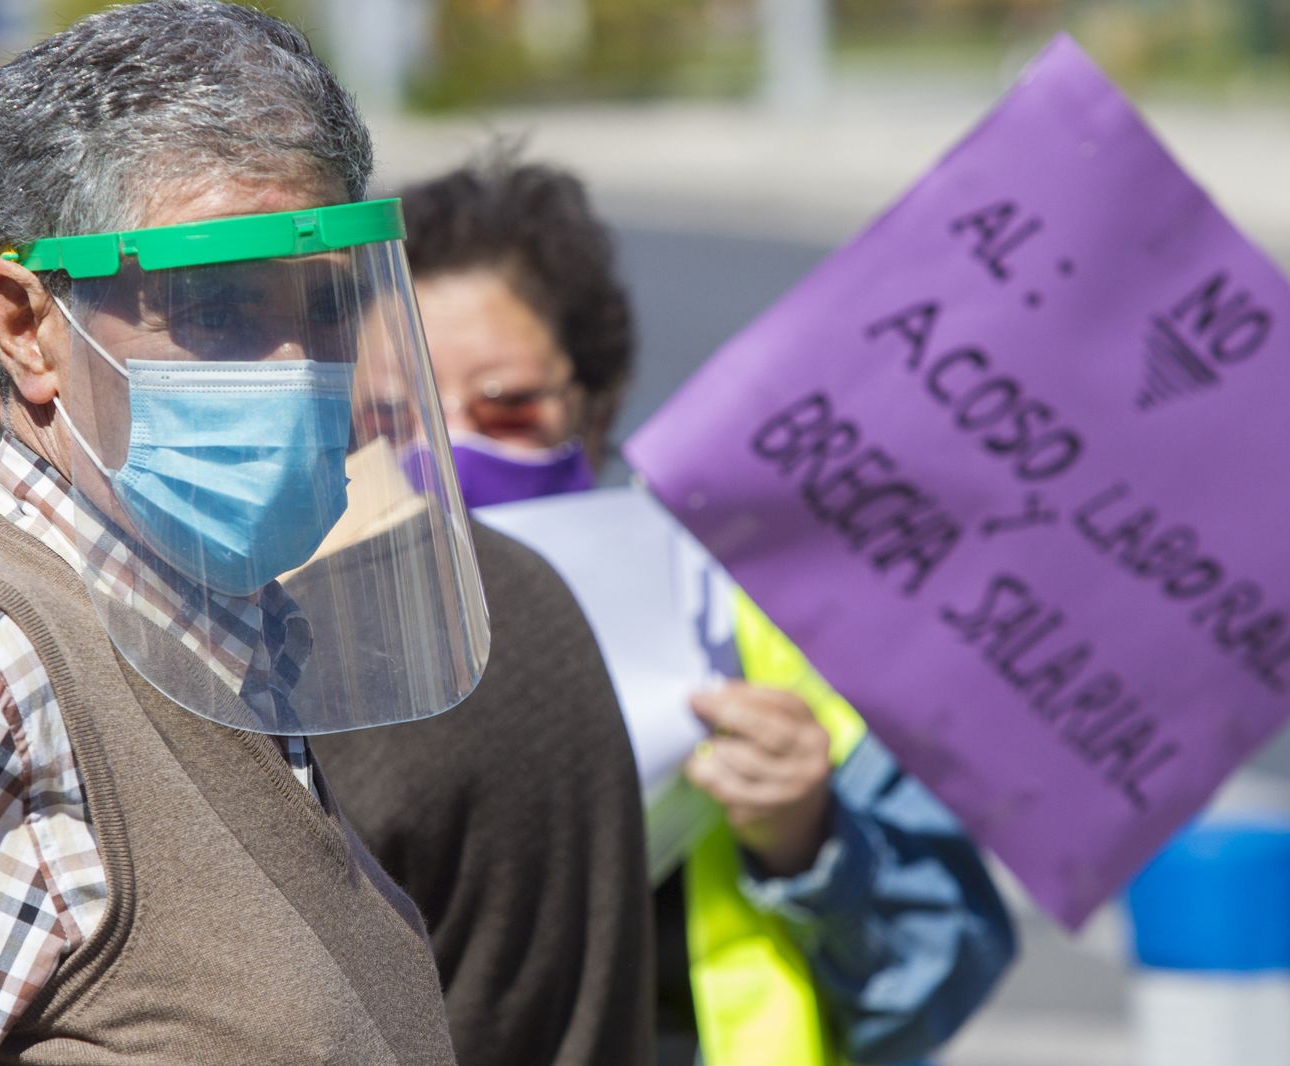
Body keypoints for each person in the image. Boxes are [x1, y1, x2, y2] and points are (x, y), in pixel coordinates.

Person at [0, 3, 492, 1061]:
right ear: (28, 327)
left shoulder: (230, 636)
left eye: (322, 311)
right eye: (213, 310)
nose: (292, 370)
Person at [350, 153, 1017, 1066]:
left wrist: (808, 840)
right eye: (394, 415)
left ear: (594, 403)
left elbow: (947, 966)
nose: (451, 445)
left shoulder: (754, 627)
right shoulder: (303, 642)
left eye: (503, 406)